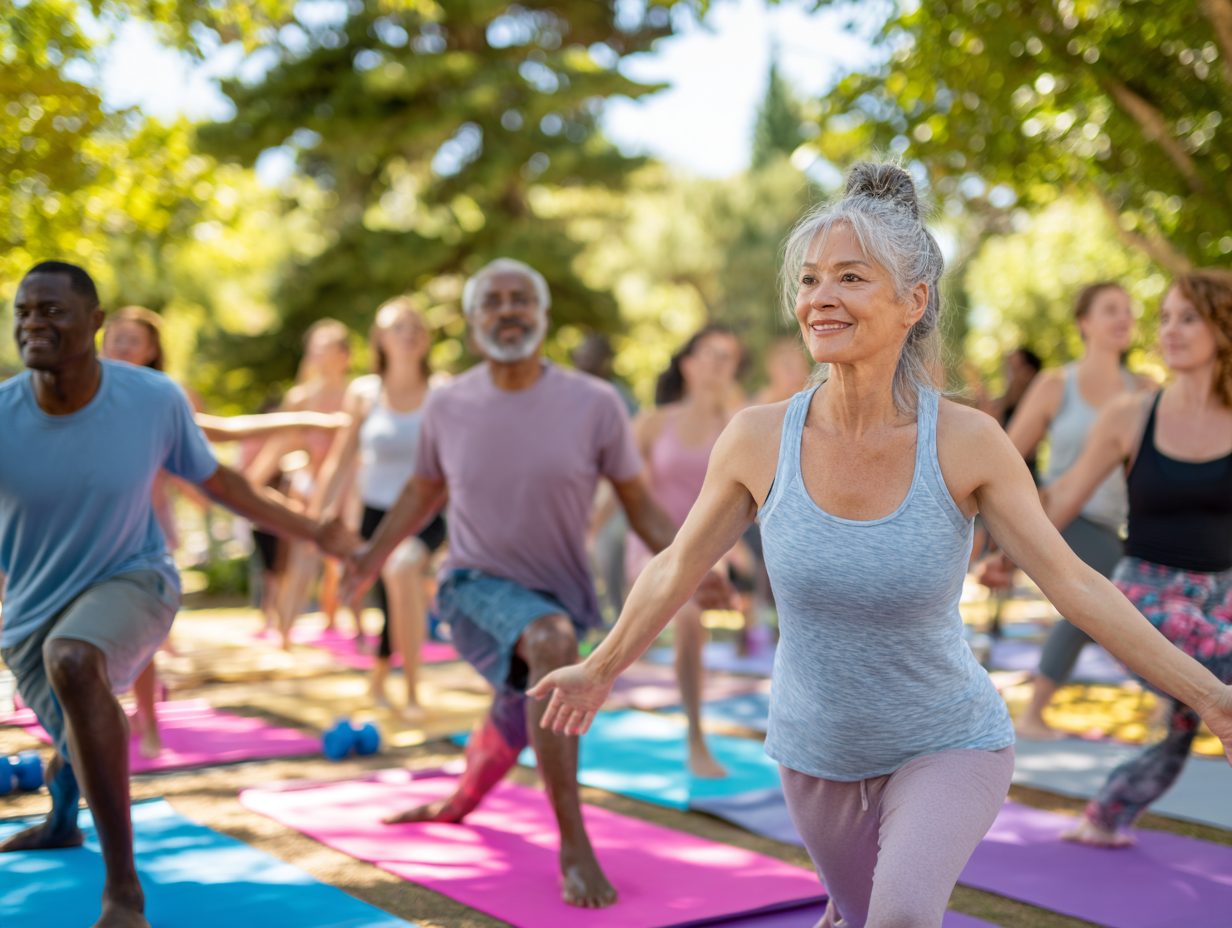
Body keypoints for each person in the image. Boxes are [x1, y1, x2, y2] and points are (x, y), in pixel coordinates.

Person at [528, 164, 1232, 928]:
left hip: (949, 742)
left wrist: (1212, 697)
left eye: (851, 278)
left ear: (913, 302)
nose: (820, 298)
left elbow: (1079, 585)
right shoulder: (758, 438)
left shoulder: (968, 443)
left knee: (899, 918)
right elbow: (675, 564)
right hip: (816, 757)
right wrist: (601, 668)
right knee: (861, 918)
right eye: (809, 280)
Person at [342, 257, 729, 909]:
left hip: (561, 593)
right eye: (492, 301)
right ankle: (573, 844)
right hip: (471, 586)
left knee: (519, 708)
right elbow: (422, 490)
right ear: (471, 325)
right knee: (550, 647)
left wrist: (695, 562)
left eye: (522, 299)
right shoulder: (449, 403)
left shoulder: (595, 404)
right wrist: (372, 557)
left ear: (543, 318)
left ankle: (459, 799)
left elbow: (638, 503)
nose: (508, 310)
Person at [0, 261, 357, 928]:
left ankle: (123, 893)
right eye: (24, 311)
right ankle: (61, 817)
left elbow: (225, 485)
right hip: (28, 618)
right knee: (76, 724)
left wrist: (318, 532)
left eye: (51, 311)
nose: (33, 324)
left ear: (95, 323)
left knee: (76, 661)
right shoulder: (2, 416)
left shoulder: (152, 398)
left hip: (134, 579)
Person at [99, 305, 347, 757]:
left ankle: (147, 721)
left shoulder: (160, 403)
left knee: (135, 635)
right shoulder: (84, 396)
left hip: (141, 541)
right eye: (113, 336)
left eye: (132, 340)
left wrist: (310, 423)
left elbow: (226, 434)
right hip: (93, 540)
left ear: (152, 350)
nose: (119, 346)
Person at [1041, 269, 1232, 846]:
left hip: (1219, 598)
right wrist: (1002, 549)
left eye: (1188, 318)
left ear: (1223, 328)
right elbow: (1064, 498)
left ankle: (1103, 817)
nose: (1169, 330)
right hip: (1143, 598)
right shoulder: (1130, 416)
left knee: (1184, 727)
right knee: (1216, 664)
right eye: (1165, 317)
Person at [1000, 284, 1152, 738]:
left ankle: (1174, 707)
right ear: (1084, 322)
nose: (1123, 319)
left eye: (1128, 311)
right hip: (1057, 518)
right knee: (1105, 596)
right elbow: (1005, 455)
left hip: (1113, 523)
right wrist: (1015, 522)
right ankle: (1034, 713)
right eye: (1111, 310)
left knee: (1103, 607)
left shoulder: (1144, 389)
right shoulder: (1055, 384)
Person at [311, 296, 443, 718]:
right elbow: (341, 458)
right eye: (398, 326)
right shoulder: (364, 393)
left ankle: (413, 692)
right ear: (381, 339)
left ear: (425, 340)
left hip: (427, 513)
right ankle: (382, 677)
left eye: (416, 326)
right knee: (388, 601)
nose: (409, 333)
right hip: (375, 512)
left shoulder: (443, 391)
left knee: (402, 570)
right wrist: (314, 517)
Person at [626, 325, 745, 778]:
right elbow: (621, 495)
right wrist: (581, 538)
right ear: (688, 364)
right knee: (689, 615)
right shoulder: (654, 423)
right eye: (710, 355)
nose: (718, 365)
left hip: (709, 547)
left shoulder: (739, 425)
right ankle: (696, 738)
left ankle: (698, 734)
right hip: (654, 547)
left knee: (694, 617)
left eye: (728, 358)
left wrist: (738, 556)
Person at [248, 319, 355, 646]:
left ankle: (359, 630)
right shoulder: (300, 397)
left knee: (349, 558)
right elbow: (278, 443)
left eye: (327, 346)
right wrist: (249, 485)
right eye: (315, 347)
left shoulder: (357, 393)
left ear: (344, 354)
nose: (319, 354)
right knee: (301, 560)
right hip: (311, 486)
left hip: (348, 486)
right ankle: (284, 636)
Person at [752, 336, 812, 405]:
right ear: (772, 371)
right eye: (790, 370)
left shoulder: (813, 397)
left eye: (802, 367)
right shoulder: (758, 407)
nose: (799, 378)